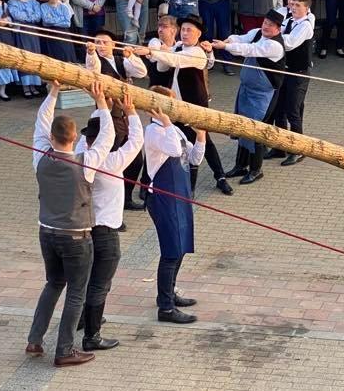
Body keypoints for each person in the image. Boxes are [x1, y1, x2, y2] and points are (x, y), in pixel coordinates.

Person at [26, 81, 113, 367]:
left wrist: (52, 92)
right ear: (75, 136)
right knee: (76, 291)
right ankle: (64, 350)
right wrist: (101, 104)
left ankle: (35, 340)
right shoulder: (84, 164)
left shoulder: (40, 157)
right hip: (76, 237)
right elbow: (107, 139)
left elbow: (41, 121)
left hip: (46, 232)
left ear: (51, 137)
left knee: (52, 283)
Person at [72, 90, 142, 351]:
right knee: (101, 283)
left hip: (83, 229)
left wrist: (102, 106)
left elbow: (97, 135)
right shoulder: (112, 161)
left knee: (86, 279)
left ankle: (81, 319)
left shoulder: (81, 157)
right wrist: (132, 112)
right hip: (105, 231)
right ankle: (92, 336)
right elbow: (136, 141)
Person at [140, 18, 236, 195]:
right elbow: (162, 67)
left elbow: (177, 60)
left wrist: (152, 51)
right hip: (175, 108)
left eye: (189, 30)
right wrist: (155, 51)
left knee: (201, 143)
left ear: (198, 34)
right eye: (183, 29)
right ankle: (147, 184)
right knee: (170, 141)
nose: (184, 33)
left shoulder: (197, 52)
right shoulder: (177, 48)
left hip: (194, 106)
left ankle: (214, 180)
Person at [142, 85, 205, 324]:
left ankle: (169, 292)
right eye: (170, 104)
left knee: (180, 247)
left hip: (180, 195)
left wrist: (200, 136)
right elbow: (170, 149)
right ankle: (165, 308)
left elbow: (193, 158)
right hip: (162, 197)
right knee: (171, 251)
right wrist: (167, 123)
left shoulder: (175, 130)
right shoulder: (154, 131)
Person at [213, 11, 286, 185]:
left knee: (255, 131)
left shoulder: (274, 46)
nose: (265, 27)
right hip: (247, 91)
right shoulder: (257, 32)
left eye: (270, 25)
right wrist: (227, 41)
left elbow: (251, 49)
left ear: (278, 29)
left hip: (263, 96)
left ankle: (256, 169)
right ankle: (240, 165)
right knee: (241, 127)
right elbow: (242, 39)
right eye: (265, 22)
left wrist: (225, 48)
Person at [83, 30, 150, 208]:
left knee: (136, 161)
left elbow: (142, 72)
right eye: (98, 42)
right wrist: (90, 53)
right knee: (108, 159)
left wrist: (131, 56)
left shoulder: (121, 61)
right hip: (108, 118)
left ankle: (126, 198)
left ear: (114, 44)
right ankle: (99, 198)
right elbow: (93, 71)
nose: (101, 46)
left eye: (105, 42)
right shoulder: (97, 62)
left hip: (126, 117)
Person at [263, 0, 314, 166]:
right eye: (292, 5)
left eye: (298, 6)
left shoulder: (306, 25)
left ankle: (298, 150)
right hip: (284, 71)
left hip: (298, 73)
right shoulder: (288, 21)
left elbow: (290, 43)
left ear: (307, 9)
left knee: (293, 110)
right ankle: (280, 147)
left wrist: (272, 37)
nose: (293, 8)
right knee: (279, 110)